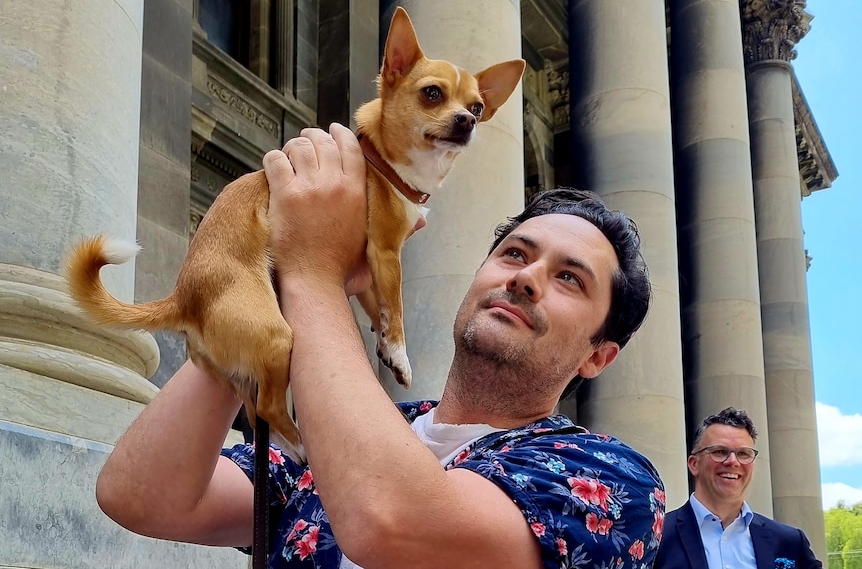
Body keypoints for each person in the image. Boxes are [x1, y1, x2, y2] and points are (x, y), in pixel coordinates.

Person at [94, 123, 665, 569]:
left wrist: (313, 271)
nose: (525, 278)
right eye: (515, 254)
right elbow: (143, 495)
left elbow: (388, 520)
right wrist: (259, 281)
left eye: (570, 278)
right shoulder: (355, 434)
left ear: (598, 355)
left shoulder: (614, 480)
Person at [656, 407, 822, 569]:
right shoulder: (656, 537)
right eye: (720, 451)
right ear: (694, 464)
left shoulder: (789, 542)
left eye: (743, 454)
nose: (733, 462)